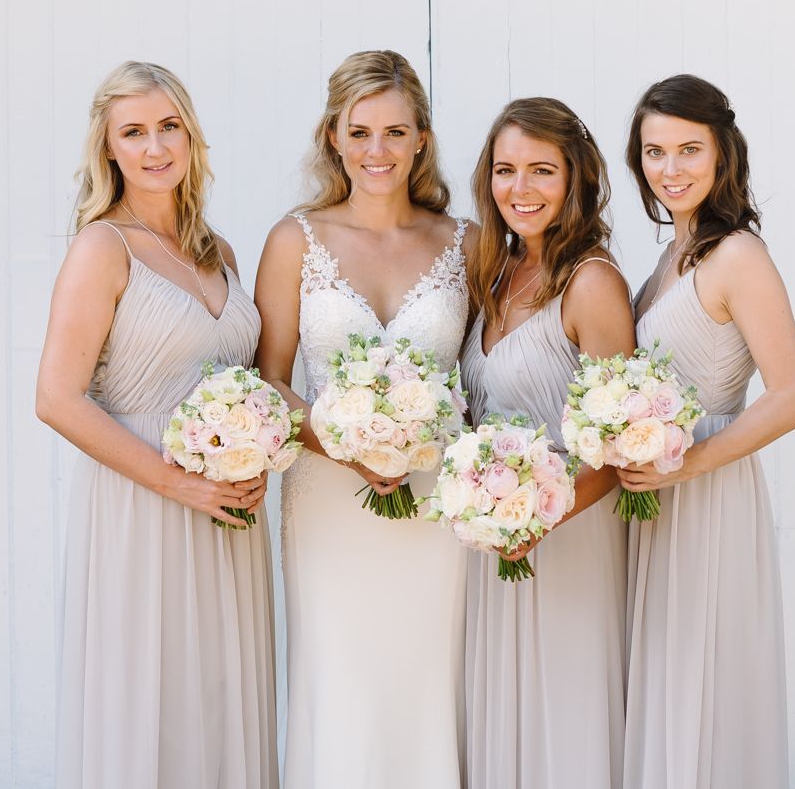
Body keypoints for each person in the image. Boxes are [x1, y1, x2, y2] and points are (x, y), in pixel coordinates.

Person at [36, 61, 277, 789]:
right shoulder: (101, 248)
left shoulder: (219, 252)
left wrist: (260, 459)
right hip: (141, 505)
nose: (154, 147)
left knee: (221, 696)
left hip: (229, 511)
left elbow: (251, 384)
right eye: (133, 132)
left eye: (169, 126)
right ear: (108, 149)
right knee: (150, 699)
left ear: (191, 136)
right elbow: (57, 398)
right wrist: (181, 485)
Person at [254, 50, 473, 788]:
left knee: (428, 679)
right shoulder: (295, 239)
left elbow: (486, 376)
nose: (377, 150)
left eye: (395, 132)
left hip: (435, 504)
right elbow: (269, 383)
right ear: (334, 137)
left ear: (421, 139)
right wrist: (351, 449)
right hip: (328, 501)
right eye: (360, 132)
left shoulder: (467, 243)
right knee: (340, 680)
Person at [619, 74, 795, 789]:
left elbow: (792, 396)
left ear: (723, 152)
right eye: (654, 152)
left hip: (709, 491)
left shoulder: (738, 256)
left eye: (689, 150)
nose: (670, 169)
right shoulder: (669, 258)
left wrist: (692, 463)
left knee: (707, 679)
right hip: (658, 491)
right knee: (667, 678)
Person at [459, 97, 633, 788]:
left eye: (542, 170)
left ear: (574, 179)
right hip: (496, 538)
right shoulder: (492, 274)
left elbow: (620, 448)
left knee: (564, 720)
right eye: (505, 170)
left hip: (570, 537)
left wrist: (540, 519)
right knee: (506, 723)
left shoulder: (591, 283)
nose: (520, 189)